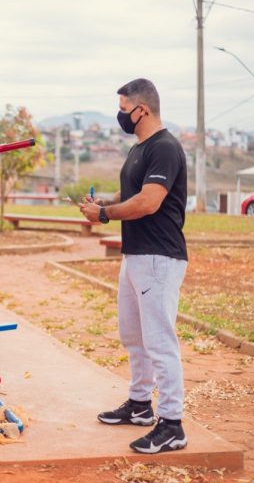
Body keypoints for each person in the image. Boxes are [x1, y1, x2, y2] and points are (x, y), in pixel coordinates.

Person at [79, 78, 188, 454]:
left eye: (124, 110)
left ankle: (172, 423)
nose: (121, 117)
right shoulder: (139, 149)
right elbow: (129, 196)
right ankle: (140, 405)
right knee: (133, 335)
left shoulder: (166, 148)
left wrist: (106, 213)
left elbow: (149, 202)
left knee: (159, 340)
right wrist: (99, 205)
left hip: (159, 255)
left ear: (143, 109)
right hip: (136, 254)